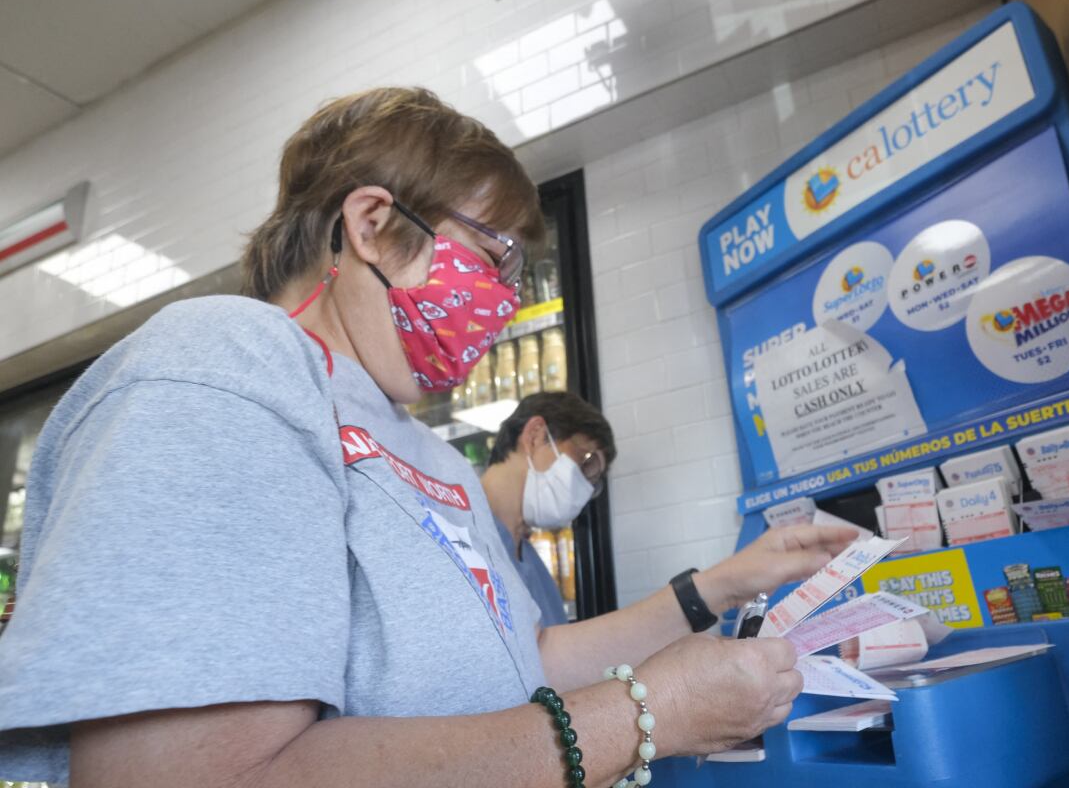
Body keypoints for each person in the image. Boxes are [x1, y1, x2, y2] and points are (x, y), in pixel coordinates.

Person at [0, 87, 857, 787]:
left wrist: (722, 584)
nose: (506, 301)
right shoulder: (223, 367)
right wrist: (640, 717)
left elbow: (531, 658)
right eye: (492, 260)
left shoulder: (424, 449)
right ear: (372, 223)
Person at [481, 391, 616, 626]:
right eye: (585, 463)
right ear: (535, 436)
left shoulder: (528, 558)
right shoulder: (463, 538)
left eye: (592, 483)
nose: (582, 490)